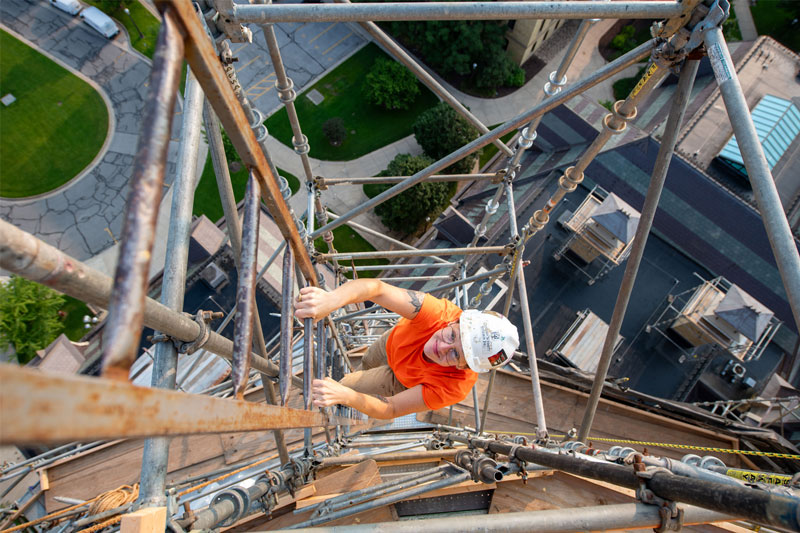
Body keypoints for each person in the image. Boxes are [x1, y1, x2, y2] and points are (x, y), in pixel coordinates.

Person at [294, 279, 519, 420]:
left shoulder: (453, 387)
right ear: (455, 322)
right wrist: (331, 300)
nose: (441, 346)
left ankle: (348, 396)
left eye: (455, 354)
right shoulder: (439, 313)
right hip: (392, 342)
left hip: (402, 381)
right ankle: (359, 383)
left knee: (346, 386)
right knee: (366, 364)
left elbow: (390, 410)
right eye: (452, 335)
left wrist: (347, 396)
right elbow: (377, 289)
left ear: (464, 367)